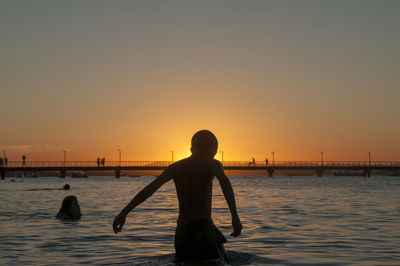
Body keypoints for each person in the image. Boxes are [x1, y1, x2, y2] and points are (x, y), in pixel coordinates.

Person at [113, 130, 242, 264]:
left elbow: (149, 189)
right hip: (203, 229)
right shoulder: (212, 164)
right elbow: (224, 181)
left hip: (183, 231)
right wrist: (234, 215)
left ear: (192, 148)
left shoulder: (175, 168)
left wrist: (124, 212)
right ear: (212, 150)